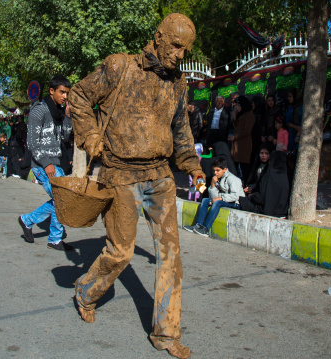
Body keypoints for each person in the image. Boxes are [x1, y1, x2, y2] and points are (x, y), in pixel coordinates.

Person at [68, 13, 204, 359]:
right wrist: (91, 136)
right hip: (120, 175)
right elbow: (79, 97)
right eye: (175, 45)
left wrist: (192, 166)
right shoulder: (119, 67)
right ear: (158, 37)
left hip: (160, 175)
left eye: (185, 50)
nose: (179, 54)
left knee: (171, 256)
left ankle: (166, 333)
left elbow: (180, 129)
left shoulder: (178, 81)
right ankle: (85, 291)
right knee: (120, 252)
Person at [17, 75, 73, 250]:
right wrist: (46, 163)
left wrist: (68, 117)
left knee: (62, 198)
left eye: (67, 93)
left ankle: (27, 220)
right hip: (43, 164)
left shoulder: (59, 112)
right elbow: (32, 142)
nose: (65, 96)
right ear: (52, 91)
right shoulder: (39, 110)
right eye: (62, 92)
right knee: (61, 197)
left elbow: (64, 137)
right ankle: (55, 239)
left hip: (57, 163)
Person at [183, 157, 244, 236]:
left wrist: (220, 198)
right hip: (224, 200)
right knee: (205, 200)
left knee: (217, 203)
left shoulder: (233, 179)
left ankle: (206, 229)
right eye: (214, 170)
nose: (215, 173)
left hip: (235, 202)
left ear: (225, 169)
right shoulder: (218, 178)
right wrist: (212, 185)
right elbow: (214, 197)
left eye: (218, 170)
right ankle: (198, 225)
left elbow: (235, 196)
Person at [239, 150, 290, 217]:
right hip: (283, 212)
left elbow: (260, 198)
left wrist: (251, 196)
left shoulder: (268, 176)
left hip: (267, 210)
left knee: (242, 201)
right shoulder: (288, 177)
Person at [230, 95, 255, 184]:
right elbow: (236, 127)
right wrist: (235, 118)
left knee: (245, 168)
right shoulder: (240, 114)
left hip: (244, 145)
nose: (235, 107)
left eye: (237, 105)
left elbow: (247, 131)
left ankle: (246, 186)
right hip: (237, 145)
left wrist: (235, 137)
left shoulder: (249, 115)